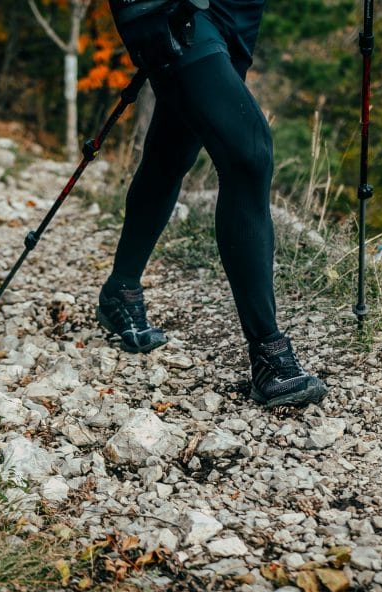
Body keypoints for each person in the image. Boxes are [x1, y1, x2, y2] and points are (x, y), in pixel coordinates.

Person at [97, 0, 327, 408]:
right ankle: (269, 355)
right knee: (248, 153)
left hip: (237, 11)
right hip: (170, 6)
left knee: (172, 152)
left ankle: (121, 288)